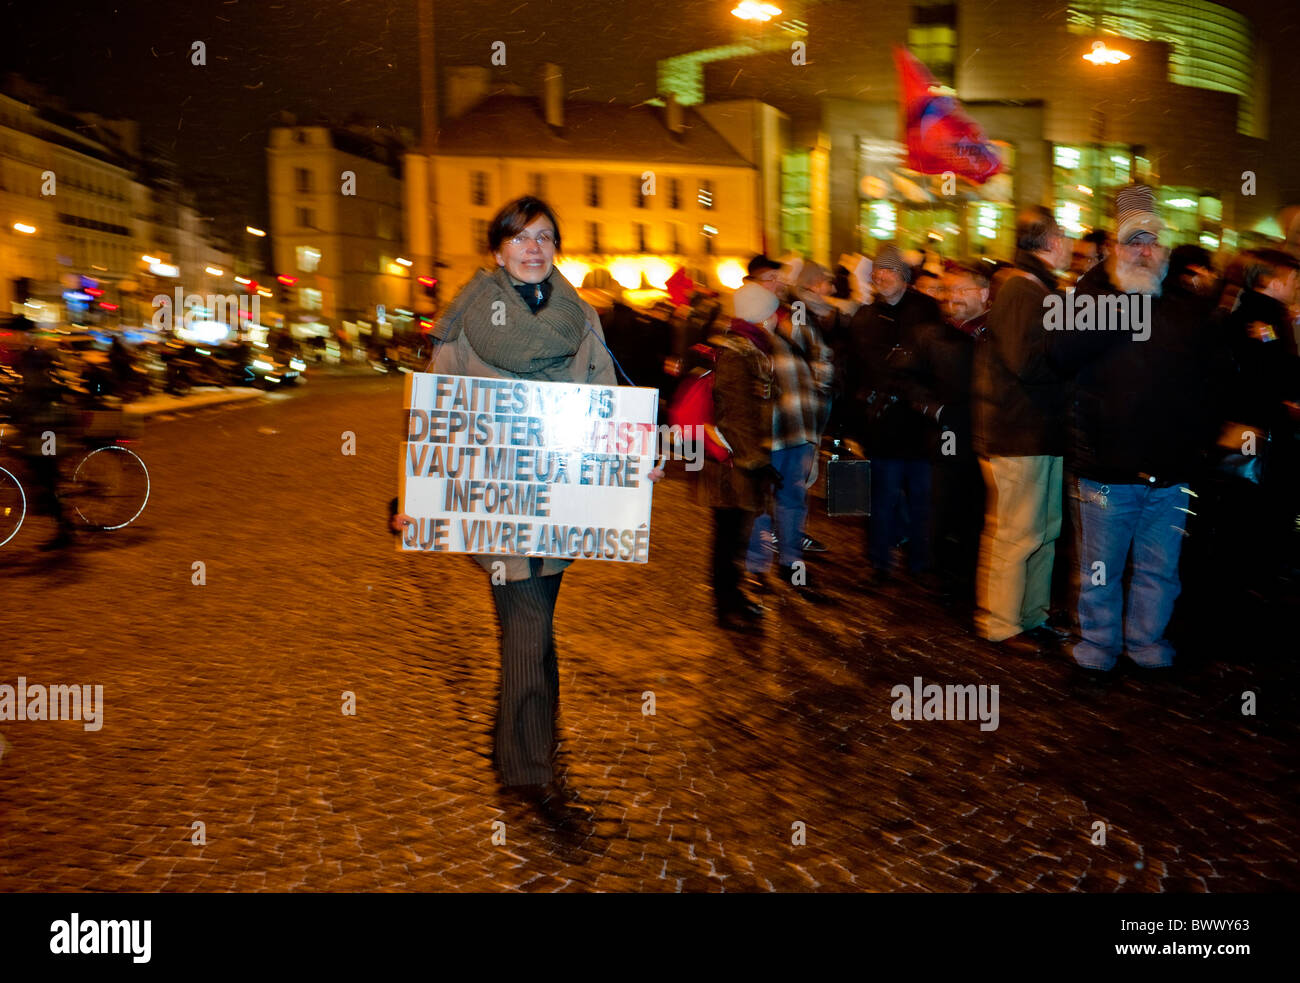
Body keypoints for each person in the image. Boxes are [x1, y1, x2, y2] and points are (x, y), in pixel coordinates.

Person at [390, 195, 661, 832]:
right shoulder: (464, 322)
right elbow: (436, 415)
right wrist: (415, 497)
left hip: (562, 503)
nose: (533, 248)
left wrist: (635, 458)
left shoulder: (581, 317)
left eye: (544, 236)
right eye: (520, 238)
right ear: (498, 249)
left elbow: (606, 401)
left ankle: (519, 735)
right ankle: (528, 769)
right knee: (528, 627)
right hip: (495, 507)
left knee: (535, 634)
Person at [1048, 185, 1219, 670]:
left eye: (1152, 242)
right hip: (1107, 469)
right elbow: (1058, 356)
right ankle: (1097, 648)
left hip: (1170, 472)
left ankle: (1146, 644)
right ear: (1115, 248)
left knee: (1159, 570)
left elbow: (1211, 376)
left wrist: (1200, 442)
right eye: (1133, 242)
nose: (1144, 251)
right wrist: (1125, 302)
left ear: (1164, 248)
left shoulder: (1184, 304)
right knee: (1100, 570)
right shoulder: (1090, 293)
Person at [972, 206, 1071, 656]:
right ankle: (999, 624)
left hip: (1040, 432)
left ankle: (1033, 616)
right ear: (1050, 241)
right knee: (1016, 534)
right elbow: (1025, 362)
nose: (1069, 242)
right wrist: (1072, 364)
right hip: (1019, 432)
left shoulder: (1038, 288)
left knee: (1044, 531)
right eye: (1063, 234)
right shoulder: (1020, 289)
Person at [846, 244, 947, 586]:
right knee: (881, 500)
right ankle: (879, 562)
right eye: (877, 271)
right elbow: (856, 370)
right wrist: (855, 420)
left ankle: (921, 561)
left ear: (904, 276)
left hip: (919, 427)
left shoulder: (926, 310)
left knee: (922, 500)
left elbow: (933, 363)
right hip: (882, 426)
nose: (881, 276)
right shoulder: (866, 317)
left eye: (888, 270)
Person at [744, 261, 836, 591]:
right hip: (761, 432)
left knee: (793, 498)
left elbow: (823, 356)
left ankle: (791, 562)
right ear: (751, 283)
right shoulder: (739, 320)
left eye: (778, 279)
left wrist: (816, 395)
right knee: (759, 500)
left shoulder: (793, 316)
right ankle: (756, 567)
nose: (776, 285)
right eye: (768, 279)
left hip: (796, 426)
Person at [703, 282, 780, 631]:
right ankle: (726, 605)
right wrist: (754, 461)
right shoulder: (738, 352)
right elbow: (735, 414)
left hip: (741, 459)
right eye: (772, 312)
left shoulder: (749, 347)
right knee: (728, 536)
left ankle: (732, 598)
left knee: (736, 534)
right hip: (733, 463)